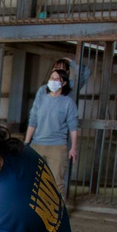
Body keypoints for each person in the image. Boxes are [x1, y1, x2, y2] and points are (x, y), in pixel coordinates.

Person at [25, 68, 78, 196]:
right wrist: (27, 142)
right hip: (37, 144)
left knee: (57, 182)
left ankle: (59, 213)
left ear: (64, 83)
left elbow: (73, 126)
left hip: (57, 146)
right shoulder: (41, 99)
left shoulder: (68, 103)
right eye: (51, 78)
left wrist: (73, 147)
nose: (52, 81)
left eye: (56, 79)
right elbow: (33, 121)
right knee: (32, 179)